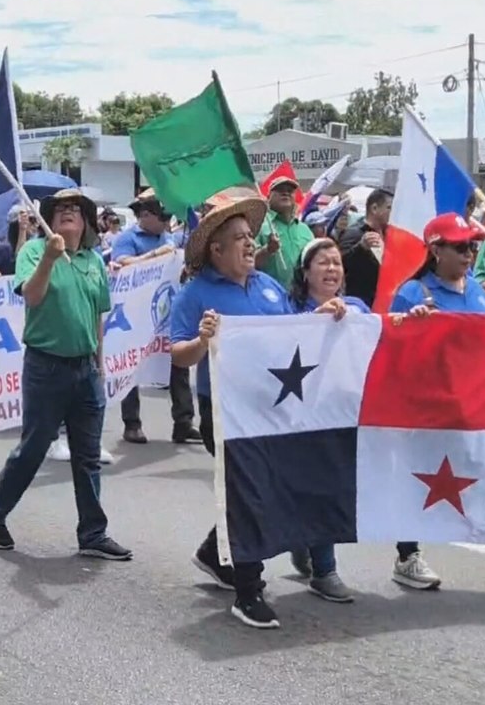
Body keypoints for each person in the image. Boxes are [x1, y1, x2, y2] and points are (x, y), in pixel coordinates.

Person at [171, 188, 348, 629]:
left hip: (271, 405)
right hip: (224, 409)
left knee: (258, 489)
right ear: (216, 250)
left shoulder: (268, 287)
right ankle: (248, 590)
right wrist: (203, 340)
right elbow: (179, 356)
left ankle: (214, 553)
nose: (251, 244)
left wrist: (321, 318)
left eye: (250, 236)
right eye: (239, 238)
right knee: (251, 493)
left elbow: (291, 338)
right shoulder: (195, 294)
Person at [0, 188, 132, 561]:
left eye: (74, 208)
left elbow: (97, 316)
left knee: (88, 456)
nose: (66, 212)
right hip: (46, 367)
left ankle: (93, 533)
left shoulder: (93, 261)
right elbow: (32, 296)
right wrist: (48, 258)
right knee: (33, 448)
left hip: (85, 369)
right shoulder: (33, 251)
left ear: (86, 221)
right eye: (59, 208)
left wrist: (99, 363)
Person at [388, 213, 485, 599]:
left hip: (477, 410)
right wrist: (411, 326)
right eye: (460, 246)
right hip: (429, 410)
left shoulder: (478, 293)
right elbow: (391, 348)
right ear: (436, 250)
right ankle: (407, 556)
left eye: (472, 246)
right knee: (418, 480)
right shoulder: (412, 293)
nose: (469, 254)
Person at [281, 237, 370, 604]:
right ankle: (325, 569)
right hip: (302, 415)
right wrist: (315, 321)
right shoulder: (288, 310)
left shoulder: (358, 307)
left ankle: (307, 542)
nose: (332, 269)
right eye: (323, 262)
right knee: (316, 487)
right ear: (305, 273)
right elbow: (276, 346)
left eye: (336, 262)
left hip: (346, 413)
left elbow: (381, 341)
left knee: (331, 488)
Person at [111, 188, 200, 446]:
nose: (167, 222)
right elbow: (122, 267)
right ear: (146, 215)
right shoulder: (127, 238)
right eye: (163, 217)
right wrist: (153, 256)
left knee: (178, 366)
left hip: (166, 314)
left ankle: (183, 423)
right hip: (136, 317)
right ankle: (132, 424)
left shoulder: (167, 237)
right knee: (132, 369)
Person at [254, 174, 312, 289]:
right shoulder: (258, 226)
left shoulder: (305, 230)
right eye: (279, 190)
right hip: (270, 293)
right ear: (268, 197)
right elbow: (248, 263)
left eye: (290, 191)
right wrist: (268, 250)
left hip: (302, 295)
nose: (286, 193)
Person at [338, 188, 393, 307]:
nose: (393, 213)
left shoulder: (390, 235)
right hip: (360, 302)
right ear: (374, 208)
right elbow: (341, 263)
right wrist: (361, 247)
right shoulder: (353, 233)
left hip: (384, 300)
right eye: (389, 208)